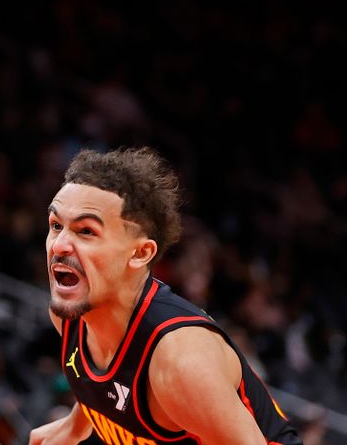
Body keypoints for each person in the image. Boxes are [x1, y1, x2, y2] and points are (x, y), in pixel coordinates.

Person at [29, 147, 300, 445]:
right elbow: (110, 382)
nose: (60, 245)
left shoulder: (179, 363)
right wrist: (75, 425)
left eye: (86, 231)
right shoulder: (71, 316)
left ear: (140, 254)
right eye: (56, 226)